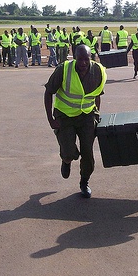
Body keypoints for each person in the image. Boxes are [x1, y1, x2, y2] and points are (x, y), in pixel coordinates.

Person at [44, 44, 107, 198]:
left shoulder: (98, 71)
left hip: (87, 116)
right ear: (74, 57)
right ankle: (66, 160)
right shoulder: (63, 69)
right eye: (80, 59)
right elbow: (48, 93)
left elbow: (96, 95)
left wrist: (96, 115)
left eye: (87, 59)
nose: (83, 63)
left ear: (91, 58)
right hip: (64, 116)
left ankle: (84, 182)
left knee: (88, 154)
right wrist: (50, 119)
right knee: (68, 152)